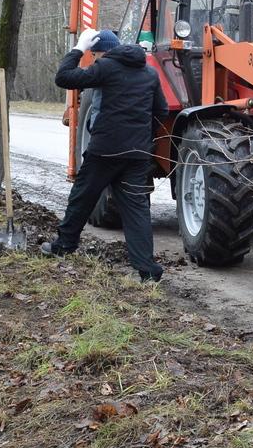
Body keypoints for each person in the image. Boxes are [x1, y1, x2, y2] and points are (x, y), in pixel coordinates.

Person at [45, 28, 168, 282]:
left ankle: (64, 246)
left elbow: (64, 78)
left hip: (105, 151)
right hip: (137, 154)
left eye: (95, 52)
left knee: (82, 198)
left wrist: (78, 48)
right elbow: (161, 110)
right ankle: (147, 270)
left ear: (101, 51)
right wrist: (144, 139)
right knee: (137, 210)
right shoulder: (150, 73)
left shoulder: (106, 68)